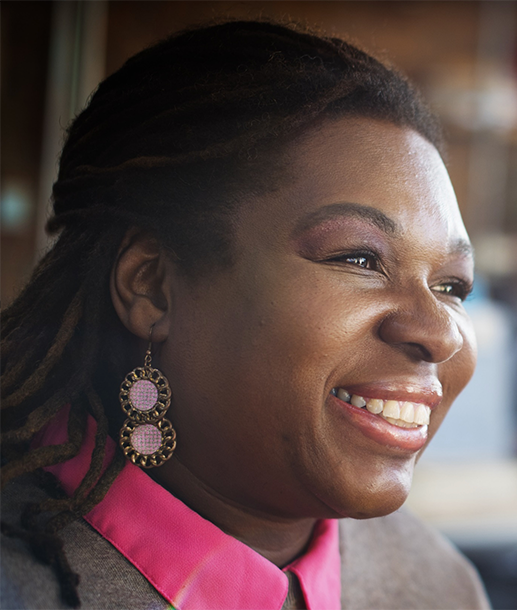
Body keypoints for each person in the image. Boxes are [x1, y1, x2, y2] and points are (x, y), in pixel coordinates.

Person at [0, 20, 490, 610]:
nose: (438, 333)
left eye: (452, 285)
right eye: (359, 259)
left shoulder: (440, 585)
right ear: (151, 287)